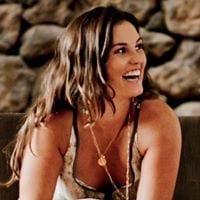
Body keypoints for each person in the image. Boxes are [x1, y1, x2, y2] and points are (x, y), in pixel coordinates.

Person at [5, 6, 181, 200]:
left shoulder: (158, 120)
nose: (138, 59)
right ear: (89, 61)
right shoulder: (52, 126)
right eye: (121, 50)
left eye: (138, 47)